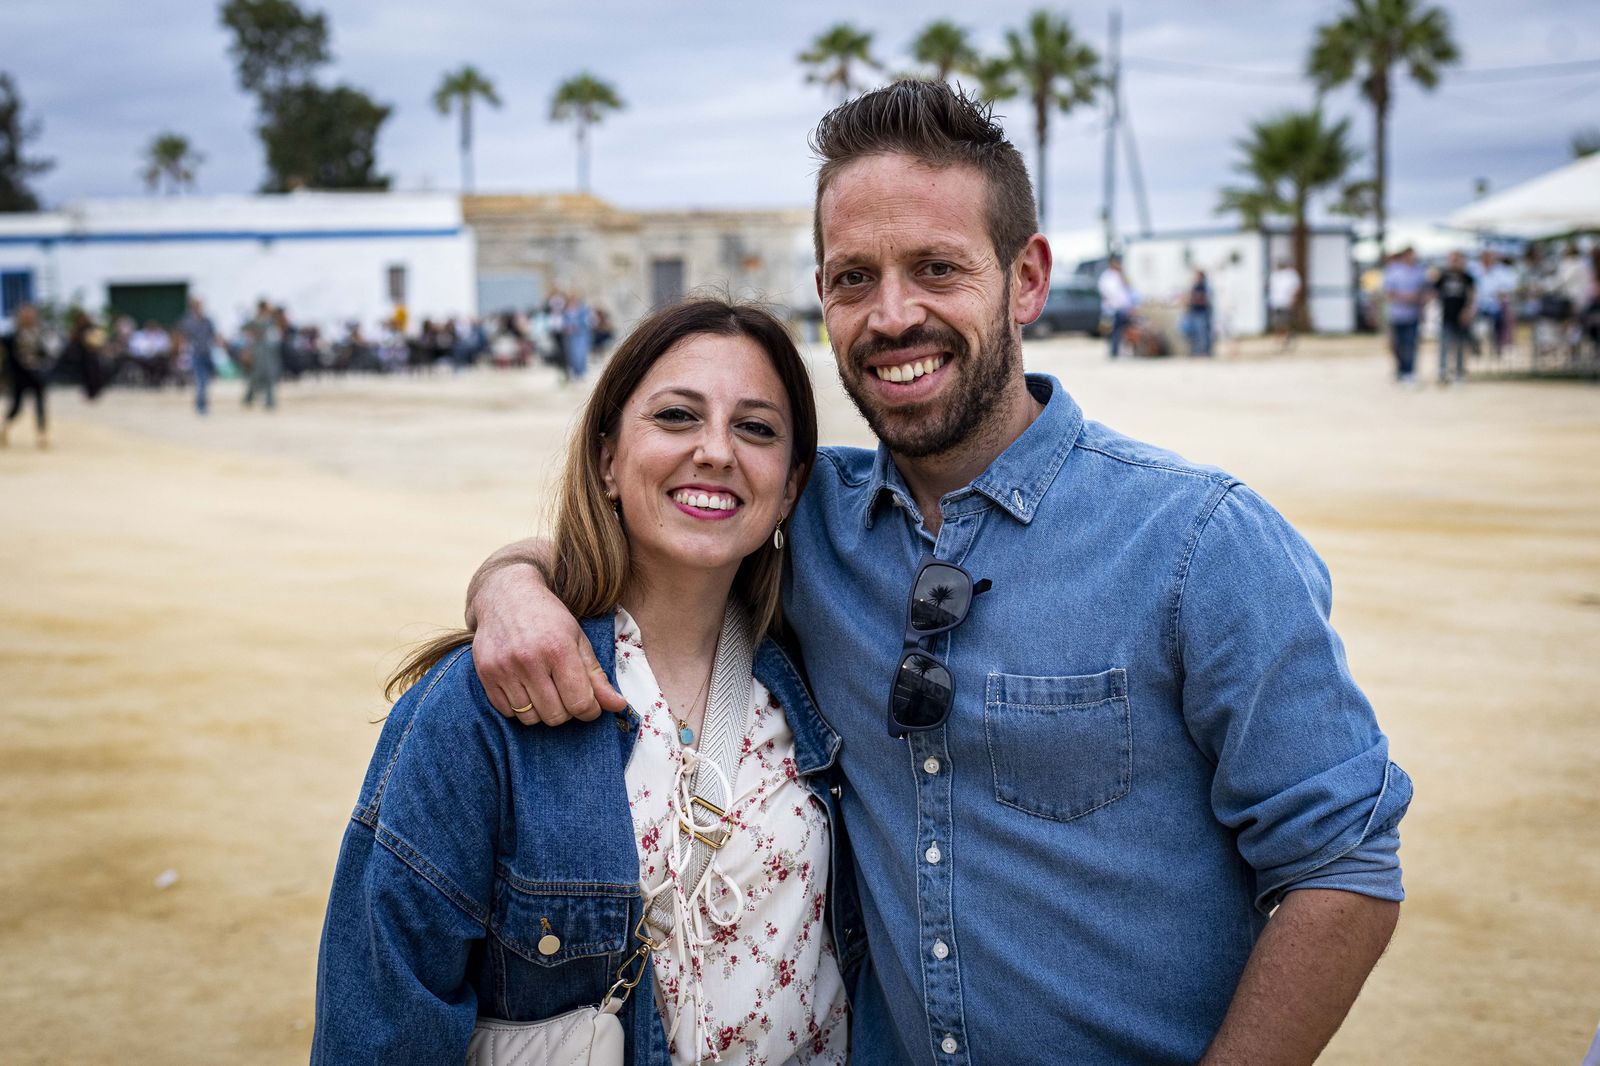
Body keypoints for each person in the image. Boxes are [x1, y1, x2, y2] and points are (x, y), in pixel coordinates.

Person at [461, 81, 1411, 1065]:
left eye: (936, 268)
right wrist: (510, 584)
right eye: (852, 278)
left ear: (1026, 279)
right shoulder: (804, 516)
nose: (892, 315)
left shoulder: (1198, 543)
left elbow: (1340, 867)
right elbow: (641, 533)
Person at [313, 299, 849, 1065]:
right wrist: (512, 581)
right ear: (606, 459)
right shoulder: (485, 704)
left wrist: (510, 572)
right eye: (676, 417)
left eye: (756, 428)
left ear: (791, 488)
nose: (716, 451)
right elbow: (380, 1029)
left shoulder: (821, 675)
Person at [1, 303, 48, 449]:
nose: (29, 319)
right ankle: (4, 428)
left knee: (40, 404)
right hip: (18, 376)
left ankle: (42, 434)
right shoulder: (10, 337)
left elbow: (44, 353)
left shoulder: (37, 334)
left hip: (36, 375)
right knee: (17, 406)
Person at [1382, 247, 1429, 383]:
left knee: (1410, 344)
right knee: (1397, 345)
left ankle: (1409, 371)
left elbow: (1426, 291)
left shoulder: (1419, 272)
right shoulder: (1393, 271)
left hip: (1413, 314)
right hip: (1396, 315)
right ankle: (1400, 370)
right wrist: (1407, 298)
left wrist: (1421, 304)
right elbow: (1389, 293)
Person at [1432, 250, 1476, 385]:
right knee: (1444, 345)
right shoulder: (1444, 276)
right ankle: (1443, 372)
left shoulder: (1467, 277)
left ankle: (1459, 372)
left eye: (1457, 259)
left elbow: (1472, 294)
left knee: (1461, 346)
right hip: (1447, 316)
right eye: (1452, 259)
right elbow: (1434, 291)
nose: (1454, 262)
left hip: (1462, 316)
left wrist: (1468, 311)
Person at [1471, 251, 1516, 358]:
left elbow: (1509, 287)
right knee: (1478, 331)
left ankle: (1497, 348)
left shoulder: (1501, 272)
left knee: (1498, 328)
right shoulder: (1475, 270)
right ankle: (1478, 349)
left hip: (1496, 306)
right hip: (1480, 306)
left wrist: (1502, 293)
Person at [179, 298, 217, 415]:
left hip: (208, 354)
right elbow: (181, 336)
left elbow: (214, 336)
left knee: (206, 381)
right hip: (196, 355)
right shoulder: (188, 322)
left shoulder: (207, 321)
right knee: (201, 381)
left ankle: (201, 403)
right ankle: (201, 406)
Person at [241, 300, 280, 410]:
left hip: (267, 351)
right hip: (257, 351)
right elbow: (244, 329)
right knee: (255, 376)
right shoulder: (256, 319)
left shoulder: (269, 319)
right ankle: (249, 398)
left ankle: (269, 401)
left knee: (269, 376)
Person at [1096, 255, 1134, 358]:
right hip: (1112, 309)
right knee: (1113, 331)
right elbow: (1110, 294)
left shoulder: (1120, 276)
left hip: (1123, 309)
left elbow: (1128, 291)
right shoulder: (1107, 277)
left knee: (1122, 331)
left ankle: (1120, 351)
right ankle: (1113, 352)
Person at [1267, 258, 1302, 349]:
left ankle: (1286, 339)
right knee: (1277, 322)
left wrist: (1294, 299)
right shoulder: (1274, 275)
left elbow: (1296, 288)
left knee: (1286, 322)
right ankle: (1280, 339)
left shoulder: (1291, 274)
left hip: (1287, 302)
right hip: (1276, 302)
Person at [1181, 268, 1213, 356]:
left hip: (1201, 313)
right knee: (1192, 333)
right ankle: (1196, 351)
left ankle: (1203, 352)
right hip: (1193, 313)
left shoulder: (1205, 287)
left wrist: (1195, 298)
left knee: (1202, 334)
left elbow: (1205, 299)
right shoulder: (1195, 286)